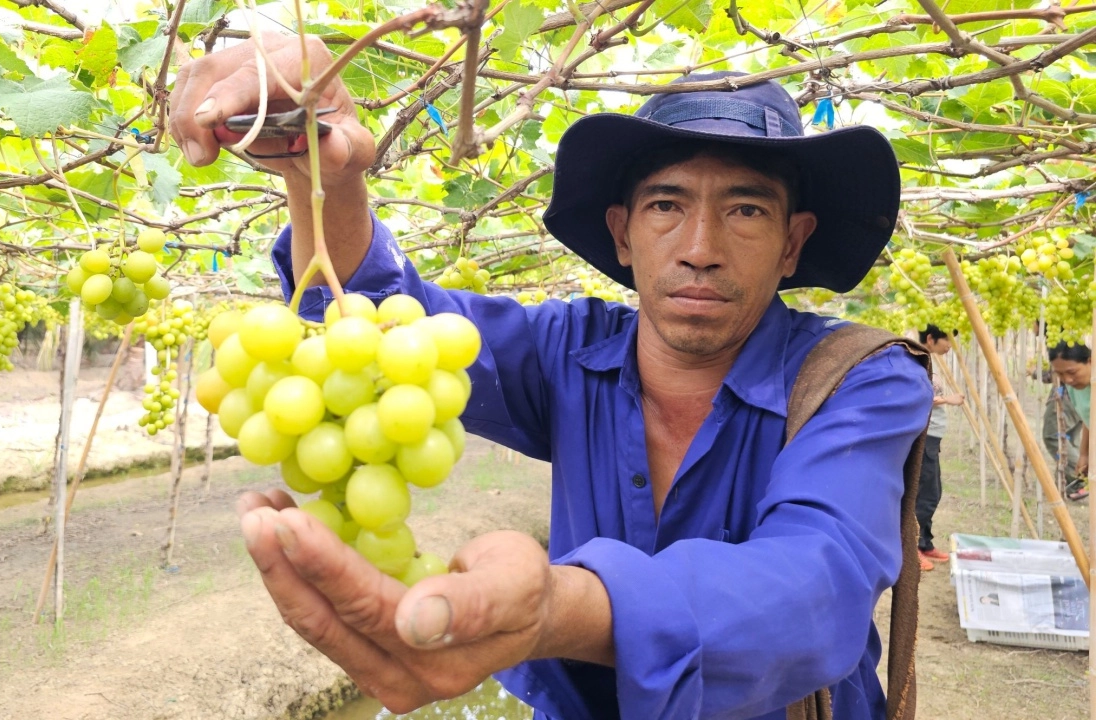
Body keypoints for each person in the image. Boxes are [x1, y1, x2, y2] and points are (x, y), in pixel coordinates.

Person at [169, 34, 931, 719]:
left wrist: (556, 610)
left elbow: (816, 586)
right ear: (621, 235)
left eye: (747, 211)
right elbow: (375, 326)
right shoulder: (565, 351)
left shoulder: (862, 381)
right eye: (666, 204)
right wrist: (325, 176)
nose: (701, 246)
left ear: (794, 244)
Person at [915, 325, 963, 571]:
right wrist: (948, 399)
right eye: (948, 341)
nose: (949, 347)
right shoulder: (917, 362)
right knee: (926, 493)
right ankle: (912, 547)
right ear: (931, 338)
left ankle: (924, 542)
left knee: (932, 491)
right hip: (924, 436)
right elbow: (917, 396)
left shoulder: (929, 362)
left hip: (932, 437)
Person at [1044, 342, 1091, 502]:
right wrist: (1084, 454)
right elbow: (1089, 420)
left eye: (1072, 372)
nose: (1068, 379)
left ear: (1090, 361)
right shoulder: (1074, 387)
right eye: (1060, 374)